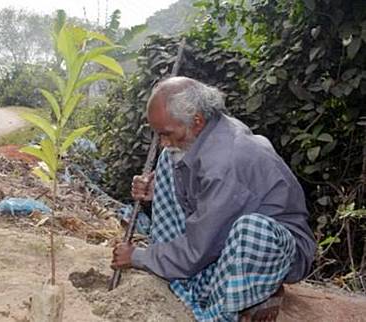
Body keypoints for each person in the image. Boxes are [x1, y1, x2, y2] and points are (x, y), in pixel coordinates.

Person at [110, 76, 316, 322]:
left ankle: (227, 311)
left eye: (166, 133)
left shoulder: (228, 159)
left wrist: (139, 257)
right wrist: (157, 190)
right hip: (223, 232)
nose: (163, 141)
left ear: (197, 121)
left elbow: (200, 246)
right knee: (169, 159)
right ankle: (185, 278)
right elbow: (200, 195)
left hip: (274, 248)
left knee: (251, 230)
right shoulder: (209, 129)